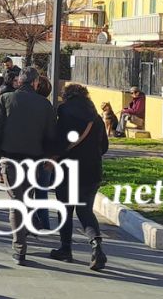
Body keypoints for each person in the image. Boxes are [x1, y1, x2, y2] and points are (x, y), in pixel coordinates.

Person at [0, 64, 57, 264]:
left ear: (19, 81)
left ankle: (19, 248)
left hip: (10, 159)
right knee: (26, 200)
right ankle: (23, 235)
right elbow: (51, 135)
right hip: (33, 161)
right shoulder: (45, 106)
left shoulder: (5, 99)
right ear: (35, 83)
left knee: (16, 203)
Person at [49, 83, 108, 270]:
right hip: (92, 170)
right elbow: (104, 146)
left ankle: (65, 249)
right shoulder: (96, 117)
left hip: (68, 169)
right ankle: (96, 245)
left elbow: (59, 139)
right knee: (85, 210)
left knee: (65, 209)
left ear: (67, 96)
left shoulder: (64, 111)